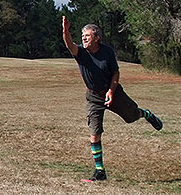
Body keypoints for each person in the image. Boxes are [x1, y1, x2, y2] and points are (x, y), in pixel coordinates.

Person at [61, 16, 163, 182]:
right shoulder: (81, 53)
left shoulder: (107, 52)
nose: (84, 38)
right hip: (93, 97)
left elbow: (115, 73)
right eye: (82, 36)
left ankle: (146, 114)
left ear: (97, 37)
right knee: (94, 134)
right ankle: (100, 171)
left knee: (132, 116)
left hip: (113, 93)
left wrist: (111, 91)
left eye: (87, 35)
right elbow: (69, 44)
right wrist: (65, 30)